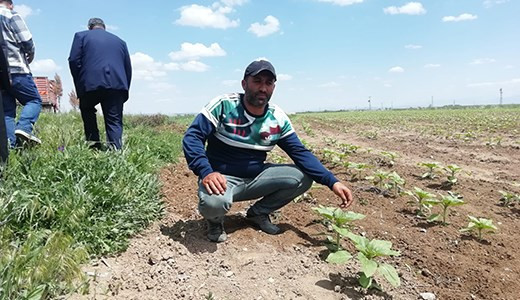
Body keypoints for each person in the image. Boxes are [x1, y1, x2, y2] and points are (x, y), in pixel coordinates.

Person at [183, 59, 354, 243]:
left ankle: (258, 213)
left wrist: (332, 181)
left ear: (273, 87)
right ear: (244, 83)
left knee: (302, 177)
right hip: (222, 179)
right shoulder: (224, 105)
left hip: (255, 177)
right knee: (214, 203)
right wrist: (206, 172)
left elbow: (300, 152)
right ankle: (215, 221)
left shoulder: (276, 117)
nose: (263, 88)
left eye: (269, 83)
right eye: (257, 81)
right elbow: (192, 137)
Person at [68, 17, 132, 150]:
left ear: (89, 27)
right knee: (114, 120)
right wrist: (124, 88)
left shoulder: (81, 36)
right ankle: (116, 153)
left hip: (90, 83)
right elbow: (127, 67)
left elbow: (74, 60)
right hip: (116, 84)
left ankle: (94, 147)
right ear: (104, 27)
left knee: (87, 110)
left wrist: (80, 83)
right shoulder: (120, 41)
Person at [0, 0, 42, 148]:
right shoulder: (11, 15)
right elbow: (27, 40)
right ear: (10, 4)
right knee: (34, 101)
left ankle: (11, 146)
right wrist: (30, 55)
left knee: (6, 111)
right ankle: (23, 127)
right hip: (16, 69)